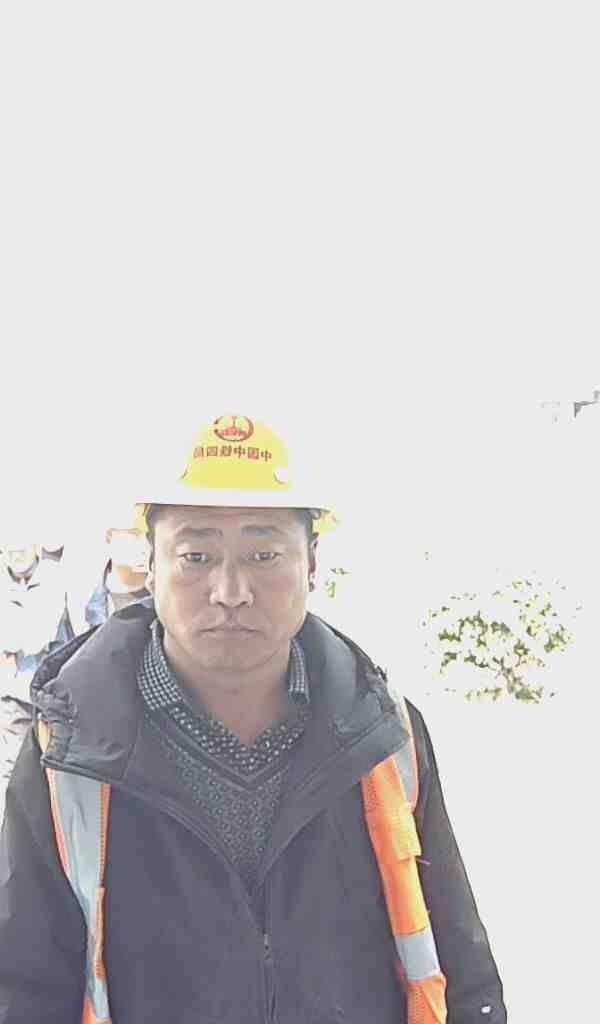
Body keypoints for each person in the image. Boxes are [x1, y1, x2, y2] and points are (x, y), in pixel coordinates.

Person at [0, 414, 506, 1023]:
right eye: (197, 555)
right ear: (151, 565)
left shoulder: (381, 730)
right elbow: (24, 980)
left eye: (264, 554)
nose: (231, 590)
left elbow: (457, 953)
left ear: (311, 563)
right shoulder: (69, 747)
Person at [0, 539, 74, 814]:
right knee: (11, 768)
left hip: (49, 695)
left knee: (54, 768)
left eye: (22, 545)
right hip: (12, 694)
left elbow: (36, 638)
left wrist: (11, 639)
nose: (16, 553)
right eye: (9, 546)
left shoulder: (54, 577)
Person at [83, 505, 151, 627]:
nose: (144, 545)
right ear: (109, 536)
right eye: (134, 534)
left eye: (149, 536)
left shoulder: (167, 599)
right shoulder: (83, 599)